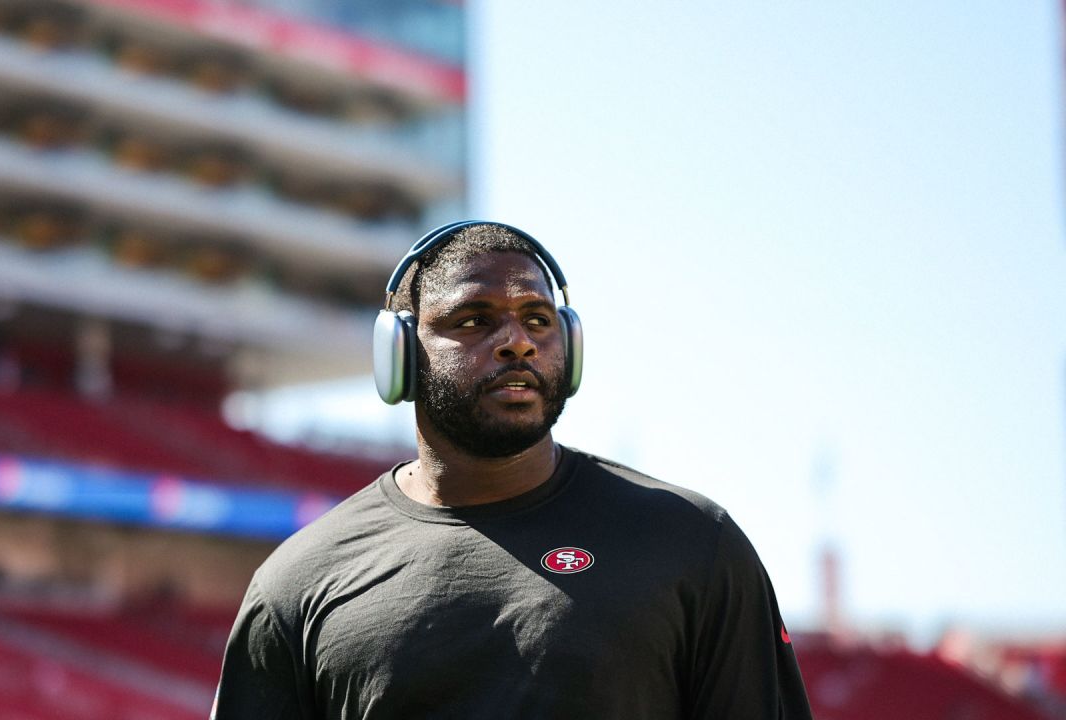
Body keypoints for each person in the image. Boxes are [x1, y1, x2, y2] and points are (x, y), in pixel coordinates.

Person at [212, 221, 812, 719]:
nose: (517, 341)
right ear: (397, 355)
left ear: (569, 346)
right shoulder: (296, 584)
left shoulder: (693, 545)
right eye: (473, 320)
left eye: (538, 318)